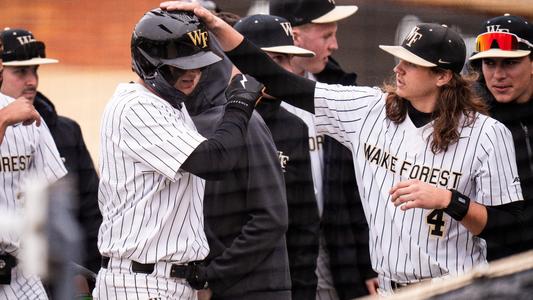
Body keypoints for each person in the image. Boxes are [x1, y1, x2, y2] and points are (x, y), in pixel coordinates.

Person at [159, 2, 525, 295]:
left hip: (455, 288)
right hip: (391, 289)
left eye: (411, 64)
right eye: (399, 58)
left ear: (443, 76)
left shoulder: (487, 134)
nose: (398, 68)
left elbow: (509, 228)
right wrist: (220, 28)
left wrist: (451, 201)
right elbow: (284, 83)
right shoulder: (369, 109)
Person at [93, 9, 265, 299]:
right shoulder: (136, 106)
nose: (192, 73)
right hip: (140, 282)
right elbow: (215, 161)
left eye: (198, 64)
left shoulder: (173, 105)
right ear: (149, 63)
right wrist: (239, 102)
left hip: (169, 280)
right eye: (180, 65)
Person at [270, 0, 377, 298]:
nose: (335, 45)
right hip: (275, 255)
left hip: (332, 253)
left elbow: (355, 190)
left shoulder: (339, 91)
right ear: (294, 36)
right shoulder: (254, 98)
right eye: (326, 35)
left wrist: (367, 264)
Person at [182, 16, 291, 300]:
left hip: (254, 289)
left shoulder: (247, 123)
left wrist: (211, 278)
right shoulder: (175, 123)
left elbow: (271, 219)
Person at [0, 28, 103, 284]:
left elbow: (90, 210)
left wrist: (92, 272)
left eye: (35, 70)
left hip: (55, 270)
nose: (32, 80)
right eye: (21, 71)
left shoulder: (65, 130)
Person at [234, 14, 320, 300]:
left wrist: (304, 292)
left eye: (289, 60)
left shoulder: (295, 127)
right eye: (276, 60)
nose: (288, 71)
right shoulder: (211, 121)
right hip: (216, 282)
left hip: (275, 286)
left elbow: (304, 224)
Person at [0, 36, 68, 299]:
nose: (31, 80)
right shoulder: (11, 113)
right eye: (20, 71)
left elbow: (53, 192)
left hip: (21, 271)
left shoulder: (26, 112)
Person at [468, 14, 533, 260]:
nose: (497, 75)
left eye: (509, 63)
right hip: (490, 264)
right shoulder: (467, 118)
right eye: (489, 63)